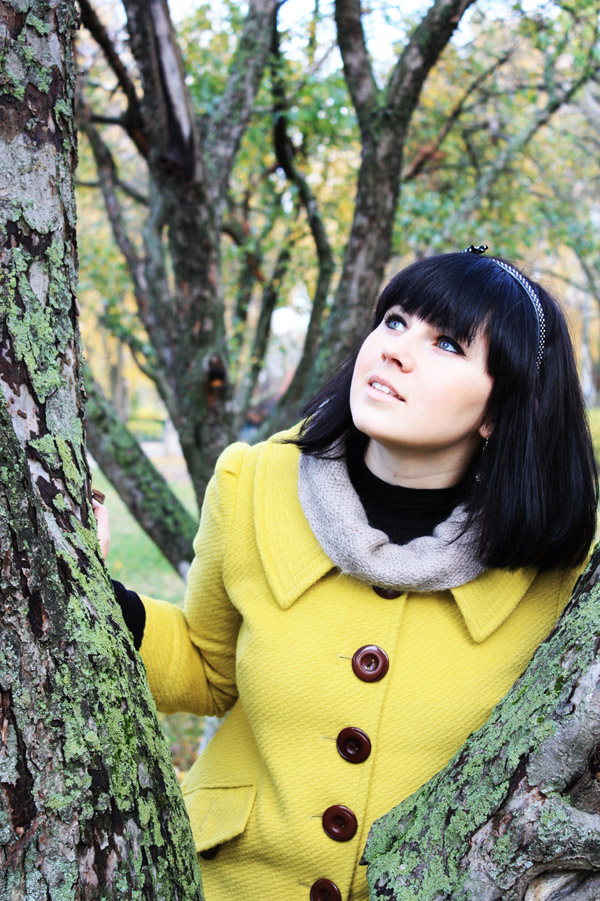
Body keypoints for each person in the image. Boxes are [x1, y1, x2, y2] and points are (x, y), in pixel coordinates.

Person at [94, 249, 598, 901]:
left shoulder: (563, 569)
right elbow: (207, 668)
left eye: (446, 343)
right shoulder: (254, 483)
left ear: (499, 410)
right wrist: (89, 593)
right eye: (394, 321)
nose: (395, 350)